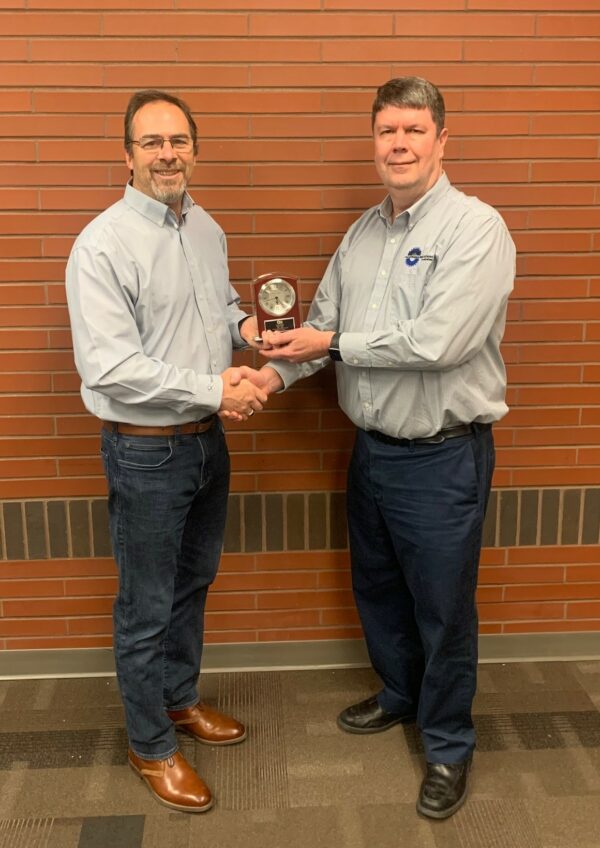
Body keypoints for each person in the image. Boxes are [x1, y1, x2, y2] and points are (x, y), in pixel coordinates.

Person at [256, 76, 515, 819]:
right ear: (373, 142)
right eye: (386, 132)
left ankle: (446, 745)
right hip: (371, 453)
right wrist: (268, 381)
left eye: (413, 130)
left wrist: (329, 342)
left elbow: (436, 342)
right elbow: (320, 329)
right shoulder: (363, 233)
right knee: (377, 590)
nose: (398, 144)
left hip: (442, 458)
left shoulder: (475, 229)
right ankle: (402, 696)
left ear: (441, 140)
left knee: (442, 609)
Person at [65, 89, 268, 813]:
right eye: (151, 143)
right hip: (146, 453)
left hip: (205, 447)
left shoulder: (204, 226)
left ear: (194, 149)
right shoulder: (102, 244)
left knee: (192, 586)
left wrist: (251, 331)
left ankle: (179, 700)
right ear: (126, 156)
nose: (167, 154)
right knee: (145, 607)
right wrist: (217, 389)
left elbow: (215, 310)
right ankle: (150, 745)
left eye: (178, 140)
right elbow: (112, 370)